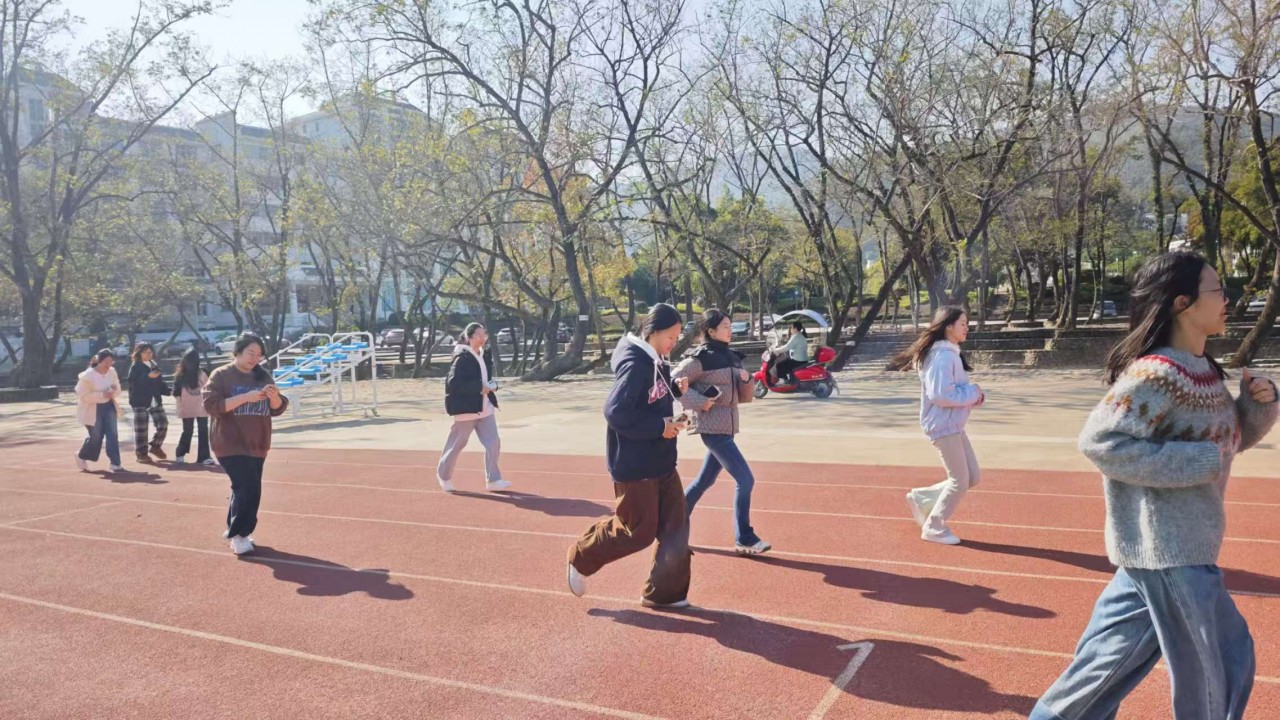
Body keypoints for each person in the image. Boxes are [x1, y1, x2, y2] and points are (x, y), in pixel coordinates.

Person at [1031, 252, 1277, 720]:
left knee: (1103, 669)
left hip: (1167, 551)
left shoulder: (1202, 370)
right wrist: (1199, 461)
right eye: (1218, 290)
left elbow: (1225, 445)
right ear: (1183, 303)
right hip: (1170, 551)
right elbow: (1101, 442)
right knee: (1220, 670)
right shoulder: (1158, 373)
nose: (1228, 300)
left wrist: (1257, 406)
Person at [566, 303, 693, 608]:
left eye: (677, 337)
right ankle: (581, 556)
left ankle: (663, 593)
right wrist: (660, 426)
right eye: (671, 337)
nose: (674, 343)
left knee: (676, 527)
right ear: (652, 332)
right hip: (636, 463)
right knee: (637, 531)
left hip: (662, 460)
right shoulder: (636, 364)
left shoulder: (655, 358)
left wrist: (673, 389)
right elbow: (616, 411)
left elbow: (648, 396)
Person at [674, 308, 770, 555]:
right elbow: (673, 383)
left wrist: (747, 381)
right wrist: (700, 401)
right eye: (725, 326)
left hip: (727, 428)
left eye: (730, 325)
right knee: (746, 480)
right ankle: (744, 538)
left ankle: (670, 527)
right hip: (712, 429)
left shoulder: (731, 357)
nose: (730, 330)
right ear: (711, 331)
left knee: (703, 482)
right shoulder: (699, 359)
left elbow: (743, 397)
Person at [889, 306, 984, 546]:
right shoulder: (942, 356)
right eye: (963, 323)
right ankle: (934, 526)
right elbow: (941, 394)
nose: (967, 327)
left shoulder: (949, 353)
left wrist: (972, 395)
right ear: (948, 326)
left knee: (971, 476)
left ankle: (922, 498)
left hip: (952, 423)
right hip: (943, 424)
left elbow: (948, 391)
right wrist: (973, 393)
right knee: (959, 481)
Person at [202, 334, 289, 556]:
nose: (254, 358)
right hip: (229, 443)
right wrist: (245, 398)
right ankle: (240, 534)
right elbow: (211, 406)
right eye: (251, 353)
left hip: (257, 442)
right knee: (249, 488)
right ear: (238, 351)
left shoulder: (263, 375)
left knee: (244, 488)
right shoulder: (221, 375)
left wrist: (274, 397)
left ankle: (236, 528)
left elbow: (277, 408)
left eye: (259, 355)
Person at [437, 323, 510, 493]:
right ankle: (444, 475)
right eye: (478, 335)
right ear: (469, 337)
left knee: (493, 442)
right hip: (466, 408)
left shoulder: (485, 355)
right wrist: (479, 387)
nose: (482, 338)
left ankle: (493, 480)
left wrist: (491, 385)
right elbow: (453, 384)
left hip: (485, 407)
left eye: (484, 334)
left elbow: (485, 378)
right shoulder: (462, 358)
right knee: (458, 444)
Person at [75, 349, 124, 473]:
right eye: (105, 362)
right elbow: (82, 395)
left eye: (111, 362)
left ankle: (115, 462)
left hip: (109, 407)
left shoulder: (112, 372)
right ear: (98, 361)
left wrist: (113, 391)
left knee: (112, 434)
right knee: (96, 436)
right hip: (93, 409)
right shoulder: (87, 376)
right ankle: (81, 455)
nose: (108, 365)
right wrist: (102, 395)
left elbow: (118, 387)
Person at [127, 343, 169, 463]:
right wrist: (148, 377)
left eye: (150, 352)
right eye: (145, 352)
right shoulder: (135, 366)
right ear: (139, 353)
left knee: (163, 423)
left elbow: (159, 382)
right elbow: (133, 383)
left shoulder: (154, 364)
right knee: (142, 429)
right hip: (139, 401)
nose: (148, 354)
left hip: (154, 400)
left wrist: (169, 391)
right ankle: (141, 454)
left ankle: (155, 446)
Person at [172, 347, 215, 467]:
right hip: (187, 407)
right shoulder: (180, 375)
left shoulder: (204, 372)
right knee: (188, 431)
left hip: (202, 407)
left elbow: (212, 387)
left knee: (202, 430)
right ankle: (180, 453)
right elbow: (176, 392)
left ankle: (204, 457)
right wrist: (179, 406)